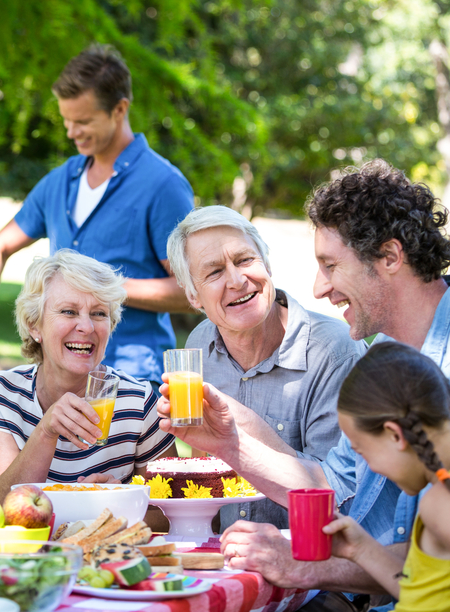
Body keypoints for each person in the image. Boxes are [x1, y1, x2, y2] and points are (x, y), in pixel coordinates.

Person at [157, 161, 450, 611]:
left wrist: (309, 567)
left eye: (330, 266)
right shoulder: (386, 360)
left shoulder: (362, 358)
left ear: (390, 257)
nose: (317, 289)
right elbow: (332, 485)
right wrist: (229, 443)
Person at [0, 44, 194, 386]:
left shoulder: (163, 185)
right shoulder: (60, 181)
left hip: (131, 382)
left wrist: (104, 288)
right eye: (66, 121)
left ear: (119, 109)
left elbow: (192, 292)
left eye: (83, 121)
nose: (72, 132)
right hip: (59, 381)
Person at [165, 205, 364, 529]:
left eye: (245, 260)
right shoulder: (199, 345)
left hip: (307, 555)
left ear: (267, 264)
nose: (237, 280)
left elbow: (343, 496)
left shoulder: (335, 352)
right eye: (214, 272)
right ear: (193, 296)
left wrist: (244, 429)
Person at [0, 249, 177, 500]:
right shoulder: (2, 392)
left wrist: (121, 498)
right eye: (68, 312)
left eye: (99, 313)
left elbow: (174, 508)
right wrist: (45, 431)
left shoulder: (138, 402)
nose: (86, 327)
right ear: (34, 325)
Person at [321, 342, 450, 609]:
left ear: (394, 435)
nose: (371, 467)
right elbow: (423, 590)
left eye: (362, 452)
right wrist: (360, 548)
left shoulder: (440, 503)